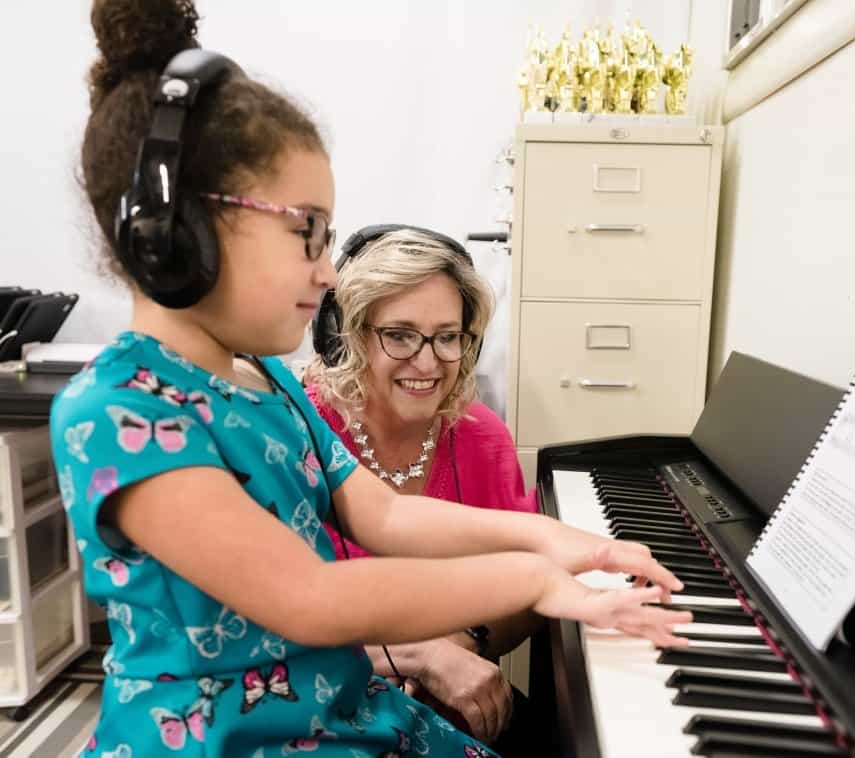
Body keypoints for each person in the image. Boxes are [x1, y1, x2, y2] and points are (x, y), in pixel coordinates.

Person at [54, 2, 691, 756]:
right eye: (307, 232)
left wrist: (562, 541)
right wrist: (531, 579)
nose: (327, 271)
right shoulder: (119, 413)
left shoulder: (271, 383)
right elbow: (312, 599)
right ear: (179, 230)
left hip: (337, 714)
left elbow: (385, 519)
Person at [304, 227, 538, 749]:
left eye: (448, 336)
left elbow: (523, 593)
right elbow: (256, 625)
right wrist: (419, 654)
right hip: (314, 716)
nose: (429, 362)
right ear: (351, 334)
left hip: (452, 712)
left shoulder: (482, 437)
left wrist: (463, 640)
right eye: (401, 335)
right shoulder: (300, 432)